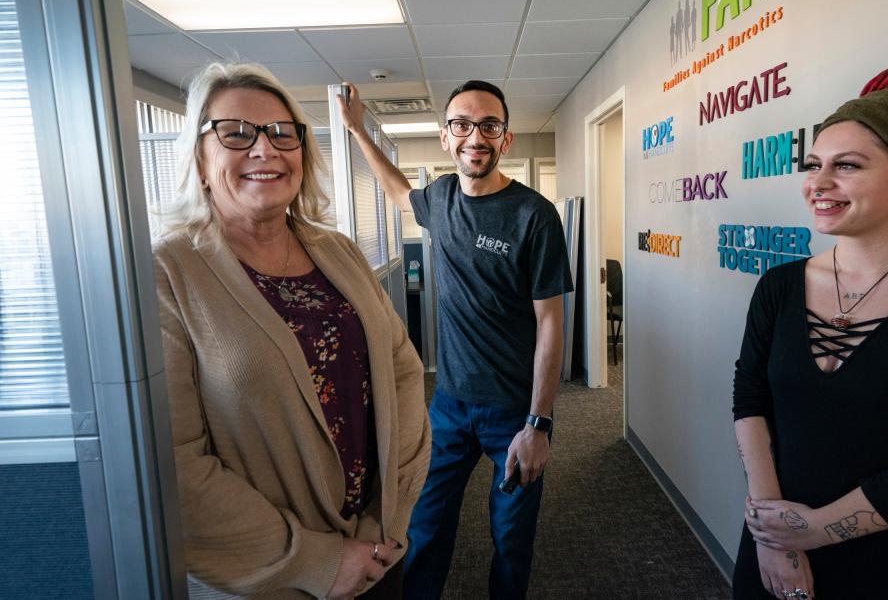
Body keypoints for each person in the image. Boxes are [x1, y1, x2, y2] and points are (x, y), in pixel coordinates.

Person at [153, 62, 430, 600]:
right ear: (200, 160)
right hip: (276, 579)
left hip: (379, 551)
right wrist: (319, 561)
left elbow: (403, 373)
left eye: (283, 133)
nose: (266, 149)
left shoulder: (337, 250)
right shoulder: (168, 272)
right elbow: (175, 466)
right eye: (236, 133)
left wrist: (386, 519)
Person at [732, 57, 888, 599]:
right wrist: (774, 533)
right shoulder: (779, 286)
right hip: (773, 545)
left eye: (848, 166)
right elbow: (751, 399)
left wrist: (814, 530)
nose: (820, 184)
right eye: (813, 165)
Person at [337, 80, 573, 599]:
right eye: (463, 124)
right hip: (447, 406)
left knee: (511, 539)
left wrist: (539, 422)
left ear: (505, 139)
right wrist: (356, 130)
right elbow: (398, 189)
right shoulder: (440, 197)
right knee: (424, 529)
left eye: (489, 125)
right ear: (446, 136)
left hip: (513, 410)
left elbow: (551, 322)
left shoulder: (534, 215)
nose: (475, 136)